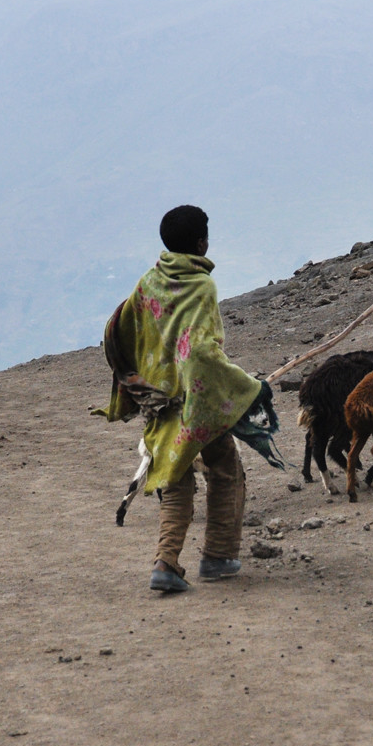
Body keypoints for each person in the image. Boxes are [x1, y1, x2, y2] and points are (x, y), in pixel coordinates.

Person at [97, 205, 263, 593]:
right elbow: (203, 353)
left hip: (157, 404)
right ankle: (218, 557)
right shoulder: (202, 287)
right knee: (226, 471)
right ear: (203, 242)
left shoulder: (149, 281)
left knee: (175, 480)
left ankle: (166, 562)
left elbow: (117, 327)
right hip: (194, 408)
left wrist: (136, 383)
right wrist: (246, 385)